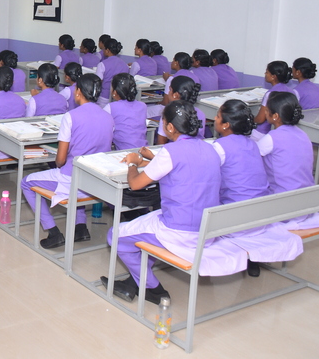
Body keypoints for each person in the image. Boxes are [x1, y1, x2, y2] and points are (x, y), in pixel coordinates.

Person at [101, 101, 246, 304]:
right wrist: (151, 160)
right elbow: (182, 166)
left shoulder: (170, 152)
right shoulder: (211, 149)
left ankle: (153, 289)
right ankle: (135, 281)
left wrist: (133, 163)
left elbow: (135, 184)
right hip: (206, 229)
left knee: (115, 235)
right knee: (147, 222)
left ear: (169, 127)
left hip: (177, 231)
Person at [211, 99, 303, 277]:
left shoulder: (219, 147)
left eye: (218, 116)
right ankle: (252, 260)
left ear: (226, 125)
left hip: (235, 219)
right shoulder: (253, 144)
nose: (214, 119)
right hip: (260, 216)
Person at [22, 73, 114, 248]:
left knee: (26, 182)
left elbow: (60, 161)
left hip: (72, 181)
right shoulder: (108, 116)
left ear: (78, 92)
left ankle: (53, 231)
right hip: (96, 183)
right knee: (78, 179)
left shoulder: (71, 116)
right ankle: (81, 228)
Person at [258, 92, 319, 231]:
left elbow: (251, 160)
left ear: (275, 116)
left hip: (283, 204)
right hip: (306, 201)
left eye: (267, 110)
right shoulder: (303, 135)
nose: (265, 112)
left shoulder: (271, 138)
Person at [104, 73, 148, 150]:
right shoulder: (143, 106)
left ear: (114, 92)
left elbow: (103, 131)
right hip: (144, 150)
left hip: (124, 151)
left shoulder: (110, 107)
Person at [253, 60, 298, 134]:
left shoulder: (270, 94)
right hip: (284, 130)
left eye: (267, 72)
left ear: (273, 76)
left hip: (263, 131)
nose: (265, 74)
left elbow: (260, 119)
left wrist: (249, 120)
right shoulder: (292, 92)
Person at [157, 75, 205, 144]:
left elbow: (161, 142)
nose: (168, 92)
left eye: (170, 90)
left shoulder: (168, 112)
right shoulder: (200, 113)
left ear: (175, 95)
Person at [94, 37, 129, 106]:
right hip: (119, 97)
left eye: (104, 49)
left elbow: (98, 82)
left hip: (104, 97)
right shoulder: (125, 65)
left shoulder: (102, 64)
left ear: (107, 50)